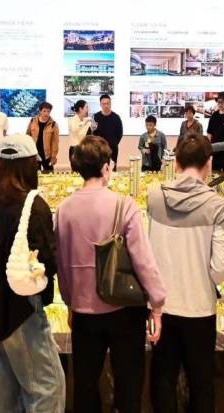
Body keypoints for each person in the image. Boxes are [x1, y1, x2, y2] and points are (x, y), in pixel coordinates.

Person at [56, 136, 166, 412]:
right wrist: (157, 304)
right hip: (125, 307)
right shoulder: (124, 205)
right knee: (129, 384)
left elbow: (62, 264)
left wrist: (69, 302)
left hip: (83, 310)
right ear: (107, 167)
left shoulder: (64, 209)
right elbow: (143, 260)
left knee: (85, 385)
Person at [0, 134, 65, 412]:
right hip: (20, 310)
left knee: (6, 392)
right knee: (47, 387)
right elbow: (47, 259)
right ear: (29, 164)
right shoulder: (32, 205)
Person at [147, 133, 224, 412]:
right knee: (201, 382)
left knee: (163, 378)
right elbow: (220, 267)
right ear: (209, 163)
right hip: (200, 307)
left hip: (161, 307)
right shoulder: (217, 205)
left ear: (176, 162)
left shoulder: (155, 195)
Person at [26, 101, 59, 172]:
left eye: (48, 111)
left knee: (49, 174)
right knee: (33, 174)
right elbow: (27, 136)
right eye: (44, 111)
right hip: (34, 153)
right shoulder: (32, 121)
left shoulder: (53, 124)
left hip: (47, 154)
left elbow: (55, 142)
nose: (46, 113)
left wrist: (54, 156)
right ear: (40, 111)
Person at [93, 94, 123, 170]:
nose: (106, 106)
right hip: (99, 149)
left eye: (108, 103)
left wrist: (113, 143)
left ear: (110, 103)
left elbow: (119, 133)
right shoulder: (96, 117)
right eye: (104, 104)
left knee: (112, 170)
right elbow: (94, 133)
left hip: (112, 149)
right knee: (100, 170)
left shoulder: (116, 117)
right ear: (100, 104)